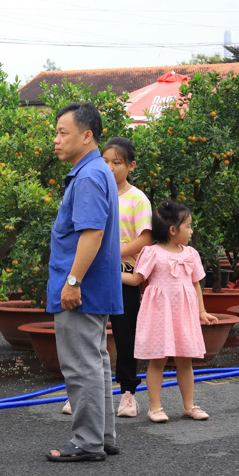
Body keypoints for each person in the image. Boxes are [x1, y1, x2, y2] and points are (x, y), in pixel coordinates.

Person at [46, 103, 122, 463]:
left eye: (63, 132)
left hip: (81, 289)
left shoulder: (89, 176)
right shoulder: (96, 171)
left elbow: (91, 234)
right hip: (95, 288)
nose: (56, 140)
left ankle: (88, 442)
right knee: (96, 361)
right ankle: (102, 437)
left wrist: (72, 281)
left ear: (86, 135)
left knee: (81, 364)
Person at [62, 137, 152, 417]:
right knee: (92, 336)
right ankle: (82, 394)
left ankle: (128, 393)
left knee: (126, 335)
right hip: (95, 274)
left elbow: (145, 239)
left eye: (117, 162)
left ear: (131, 166)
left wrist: (114, 255)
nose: (110, 167)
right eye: (105, 161)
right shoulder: (97, 189)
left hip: (123, 277)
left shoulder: (137, 199)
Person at [123, 200, 217, 423]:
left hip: (183, 314)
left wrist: (201, 310)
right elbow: (137, 278)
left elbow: (195, 284)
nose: (192, 231)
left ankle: (189, 405)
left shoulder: (191, 254)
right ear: (173, 230)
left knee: (186, 361)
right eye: (189, 226)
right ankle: (154, 407)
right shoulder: (151, 253)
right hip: (159, 315)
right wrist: (109, 274)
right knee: (158, 360)